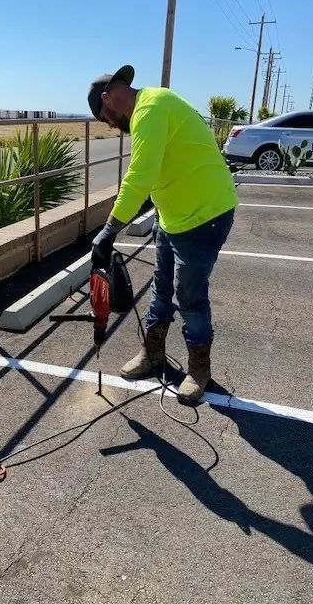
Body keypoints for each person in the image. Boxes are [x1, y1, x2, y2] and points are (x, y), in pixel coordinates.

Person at [87, 65, 238, 404]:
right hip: (173, 216)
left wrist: (109, 230)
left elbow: (139, 176)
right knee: (161, 287)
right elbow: (158, 170)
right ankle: (152, 353)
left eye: (104, 118)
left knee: (190, 297)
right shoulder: (151, 106)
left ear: (109, 99)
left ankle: (199, 369)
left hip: (204, 215)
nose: (110, 125)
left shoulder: (150, 109)